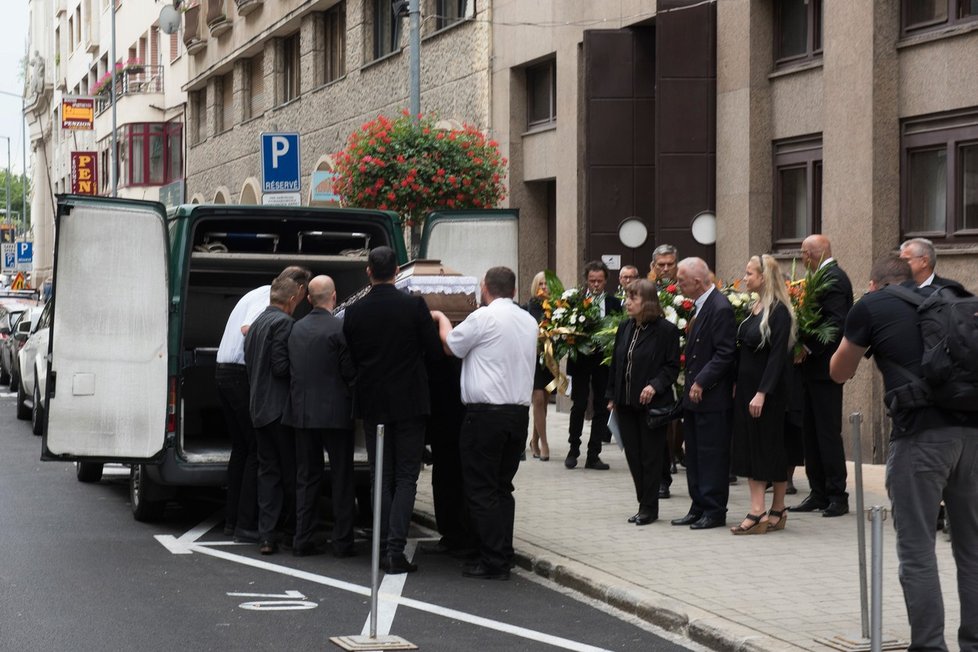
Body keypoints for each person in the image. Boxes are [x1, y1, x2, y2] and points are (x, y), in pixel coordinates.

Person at [830, 254, 978, 651]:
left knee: (917, 551)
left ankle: (929, 646)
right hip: (973, 433)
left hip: (920, 439)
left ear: (875, 283)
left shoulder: (872, 305)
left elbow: (840, 371)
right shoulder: (956, 295)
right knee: (973, 548)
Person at [433, 266, 538, 580]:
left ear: (485, 288)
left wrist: (440, 319)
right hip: (518, 414)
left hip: (485, 416)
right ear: (514, 290)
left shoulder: (483, 317)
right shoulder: (528, 320)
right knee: (503, 487)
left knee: (480, 490)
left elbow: (451, 346)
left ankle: (493, 560)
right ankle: (502, 552)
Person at [343, 246, 443, 574]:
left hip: (373, 403)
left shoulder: (355, 312)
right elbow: (433, 352)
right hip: (411, 402)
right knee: (405, 476)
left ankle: (381, 544)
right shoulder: (413, 306)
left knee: (380, 476)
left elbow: (352, 357)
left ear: (369, 272)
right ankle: (394, 549)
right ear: (397, 270)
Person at [216, 266, 309, 544]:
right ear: (297, 291)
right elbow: (250, 328)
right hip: (239, 373)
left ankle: (234, 521)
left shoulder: (259, 295)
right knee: (258, 451)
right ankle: (247, 522)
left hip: (225, 371)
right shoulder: (267, 302)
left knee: (243, 449)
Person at [282, 275, 357, 558]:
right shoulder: (340, 329)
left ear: (309, 299)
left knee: (307, 477)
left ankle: (303, 538)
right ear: (334, 297)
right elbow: (349, 371)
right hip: (336, 413)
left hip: (301, 413)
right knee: (341, 477)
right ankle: (342, 541)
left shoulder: (295, 329)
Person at [729, 255, 796, 534]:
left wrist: (762, 392)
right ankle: (777, 510)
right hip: (747, 388)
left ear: (764, 277)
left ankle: (758, 511)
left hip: (766, 391)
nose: (745, 278)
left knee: (765, 447)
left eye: (749, 273)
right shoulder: (754, 308)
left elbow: (778, 357)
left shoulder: (779, 311)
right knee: (755, 445)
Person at [605, 279, 681, 526]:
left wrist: (654, 385)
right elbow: (616, 364)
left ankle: (649, 508)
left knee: (650, 457)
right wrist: (611, 396)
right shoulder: (625, 327)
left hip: (651, 404)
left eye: (633, 298)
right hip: (625, 402)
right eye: (627, 297)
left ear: (646, 302)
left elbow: (671, 367)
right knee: (634, 457)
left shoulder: (666, 331)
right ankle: (643, 503)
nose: (627, 303)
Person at [670, 257, 737, 530]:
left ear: (697, 282)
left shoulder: (720, 308)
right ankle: (698, 505)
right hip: (696, 399)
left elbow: (725, 353)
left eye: (682, 281)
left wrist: (701, 382)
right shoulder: (702, 305)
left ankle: (714, 509)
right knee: (695, 454)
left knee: (711, 454)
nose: (678, 285)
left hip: (711, 397)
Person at [244, 274, 306, 555]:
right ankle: (292, 531)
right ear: (292, 300)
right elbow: (281, 367)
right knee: (291, 474)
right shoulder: (284, 324)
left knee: (267, 473)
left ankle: (266, 535)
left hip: (258, 408)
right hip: (279, 411)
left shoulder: (256, 324)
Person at [793, 234, 853, 517]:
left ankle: (837, 495)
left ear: (810, 254)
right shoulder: (819, 277)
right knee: (811, 432)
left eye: (803, 253)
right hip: (810, 370)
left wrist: (806, 346)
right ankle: (817, 492)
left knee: (827, 432)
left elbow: (836, 324)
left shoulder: (834, 278)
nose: (801, 259)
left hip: (825, 369)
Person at [566, 260, 621, 470]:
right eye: (591, 281)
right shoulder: (575, 302)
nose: (595, 285)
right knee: (579, 404)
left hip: (603, 362)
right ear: (586, 281)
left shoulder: (614, 304)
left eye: (599, 281)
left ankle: (593, 454)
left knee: (601, 406)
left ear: (606, 281)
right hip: (580, 361)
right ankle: (573, 450)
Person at [525, 271, 552, 461]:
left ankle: (534, 440)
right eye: (540, 284)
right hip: (533, 358)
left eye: (547, 284)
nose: (544, 287)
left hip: (550, 359)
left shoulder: (560, 306)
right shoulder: (530, 307)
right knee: (538, 398)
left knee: (544, 402)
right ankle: (544, 443)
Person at [899, 237, 967, 292]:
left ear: (924, 261)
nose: (901, 264)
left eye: (906, 260)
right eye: (900, 260)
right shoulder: (898, 289)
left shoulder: (951, 289)